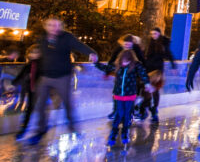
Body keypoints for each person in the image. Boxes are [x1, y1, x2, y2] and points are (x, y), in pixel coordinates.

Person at [21, 17, 98, 145]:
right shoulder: (43, 38)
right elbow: (40, 55)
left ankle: (73, 128)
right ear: (46, 26)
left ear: (61, 27)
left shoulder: (67, 37)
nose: (54, 28)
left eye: (56, 25)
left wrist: (91, 53)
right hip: (45, 77)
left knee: (67, 103)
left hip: (62, 77)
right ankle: (40, 130)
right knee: (40, 105)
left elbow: (80, 45)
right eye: (51, 25)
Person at [96, 46, 152, 146]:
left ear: (131, 59)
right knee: (119, 114)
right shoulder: (117, 65)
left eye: (127, 59)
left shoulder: (136, 65)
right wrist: (96, 62)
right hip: (118, 95)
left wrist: (147, 84)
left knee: (127, 114)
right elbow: (106, 68)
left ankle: (125, 133)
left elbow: (143, 74)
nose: (125, 62)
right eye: (123, 59)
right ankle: (113, 133)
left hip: (130, 94)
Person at [138, 28, 174, 123]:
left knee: (154, 90)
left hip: (157, 71)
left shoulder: (163, 43)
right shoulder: (150, 43)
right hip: (148, 69)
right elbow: (145, 56)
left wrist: (173, 65)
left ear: (159, 33)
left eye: (155, 33)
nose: (153, 35)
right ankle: (147, 109)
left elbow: (168, 54)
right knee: (147, 89)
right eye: (152, 34)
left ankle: (151, 109)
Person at [12, 45, 41, 139]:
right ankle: (24, 129)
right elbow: (20, 75)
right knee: (29, 109)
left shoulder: (43, 65)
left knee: (38, 110)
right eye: (32, 52)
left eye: (36, 52)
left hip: (41, 91)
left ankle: (38, 130)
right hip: (32, 90)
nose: (33, 54)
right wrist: (13, 84)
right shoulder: (28, 65)